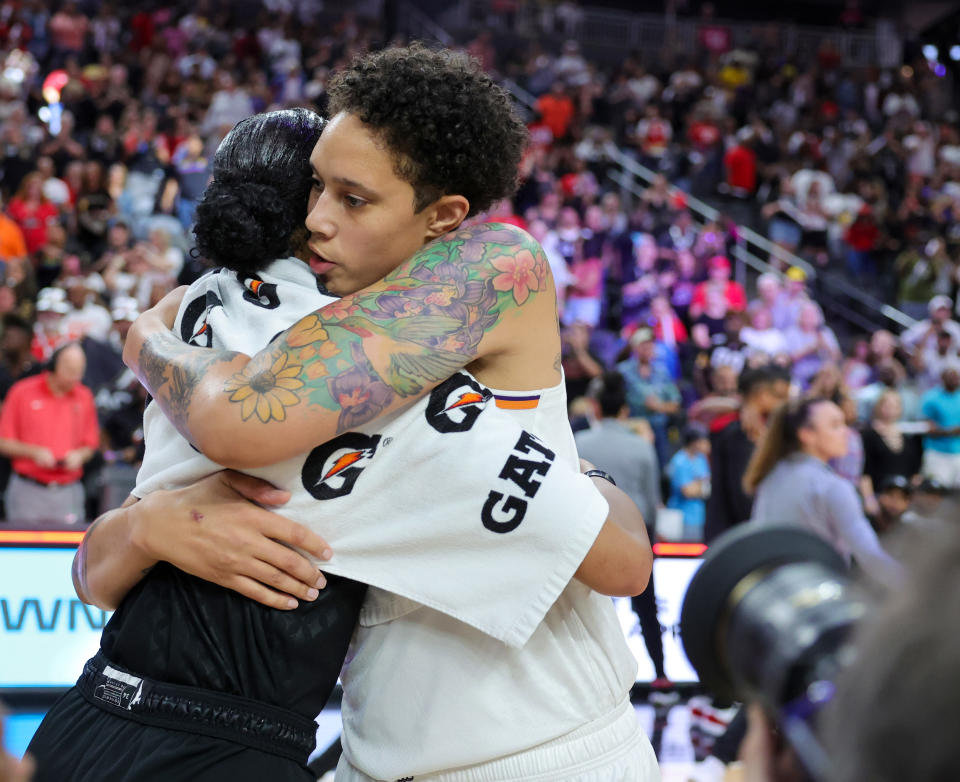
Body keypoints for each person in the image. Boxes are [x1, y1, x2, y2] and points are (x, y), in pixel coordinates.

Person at [82, 47, 660, 781]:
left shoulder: (488, 262)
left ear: (444, 216)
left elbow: (237, 417)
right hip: (375, 754)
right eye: (315, 186)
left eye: (354, 199)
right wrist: (144, 528)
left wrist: (148, 341)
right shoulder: (290, 325)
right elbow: (96, 574)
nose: (315, 220)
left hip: (545, 749)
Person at [575, 370, 670, 687]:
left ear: (596, 408)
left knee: (586, 614)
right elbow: (653, 501)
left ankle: (593, 686)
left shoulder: (578, 445)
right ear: (625, 410)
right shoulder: (641, 447)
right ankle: (660, 678)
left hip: (588, 540)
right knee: (647, 611)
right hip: (635, 541)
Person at [744, 397, 900, 584]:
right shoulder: (831, 486)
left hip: (774, 593)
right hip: (819, 595)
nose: (846, 432)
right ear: (806, 435)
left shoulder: (770, 476)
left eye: (844, 423)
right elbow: (871, 557)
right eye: (835, 425)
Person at [0, 342, 98, 526]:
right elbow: (3, 442)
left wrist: (79, 455)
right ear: (53, 365)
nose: (74, 377)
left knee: (72, 550)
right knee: (24, 549)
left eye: (79, 371)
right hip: (28, 489)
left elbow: (90, 445)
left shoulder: (84, 396)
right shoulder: (22, 392)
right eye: (69, 370)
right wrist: (33, 452)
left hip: (68, 490)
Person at [705, 365, 790, 543]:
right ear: (762, 395)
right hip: (738, 538)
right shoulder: (742, 433)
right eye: (780, 396)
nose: (784, 403)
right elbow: (744, 494)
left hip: (735, 534)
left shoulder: (752, 429)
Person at [666, 424, 711, 542]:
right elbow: (687, 491)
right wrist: (700, 485)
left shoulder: (701, 459)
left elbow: (707, 487)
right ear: (695, 442)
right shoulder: (679, 461)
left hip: (699, 517)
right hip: (682, 518)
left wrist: (698, 486)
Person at [919, 366, 960, 488]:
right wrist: (951, 431)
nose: (954, 380)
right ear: (942, 378)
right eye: (950, 376)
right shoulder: (931, 397)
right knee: (936, 490)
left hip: (958, 452)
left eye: (956, 376)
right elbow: (927, 427)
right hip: (937, 452)